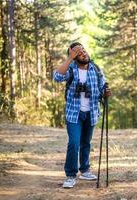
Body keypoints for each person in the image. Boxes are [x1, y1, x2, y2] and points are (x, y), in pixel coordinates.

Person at [53, 42, 111, 188]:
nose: (83, 53)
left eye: (83, 51)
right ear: (73, 56)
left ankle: (85, 170)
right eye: (78, 53)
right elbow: (57, 77)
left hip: (91, 112)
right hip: (74, 113)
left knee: (86, 143)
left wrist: (106, 93)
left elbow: (103, 86)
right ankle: (71, 175)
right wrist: (69, 58)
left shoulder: (96, 69)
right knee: (74, 143)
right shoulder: (71, 69)